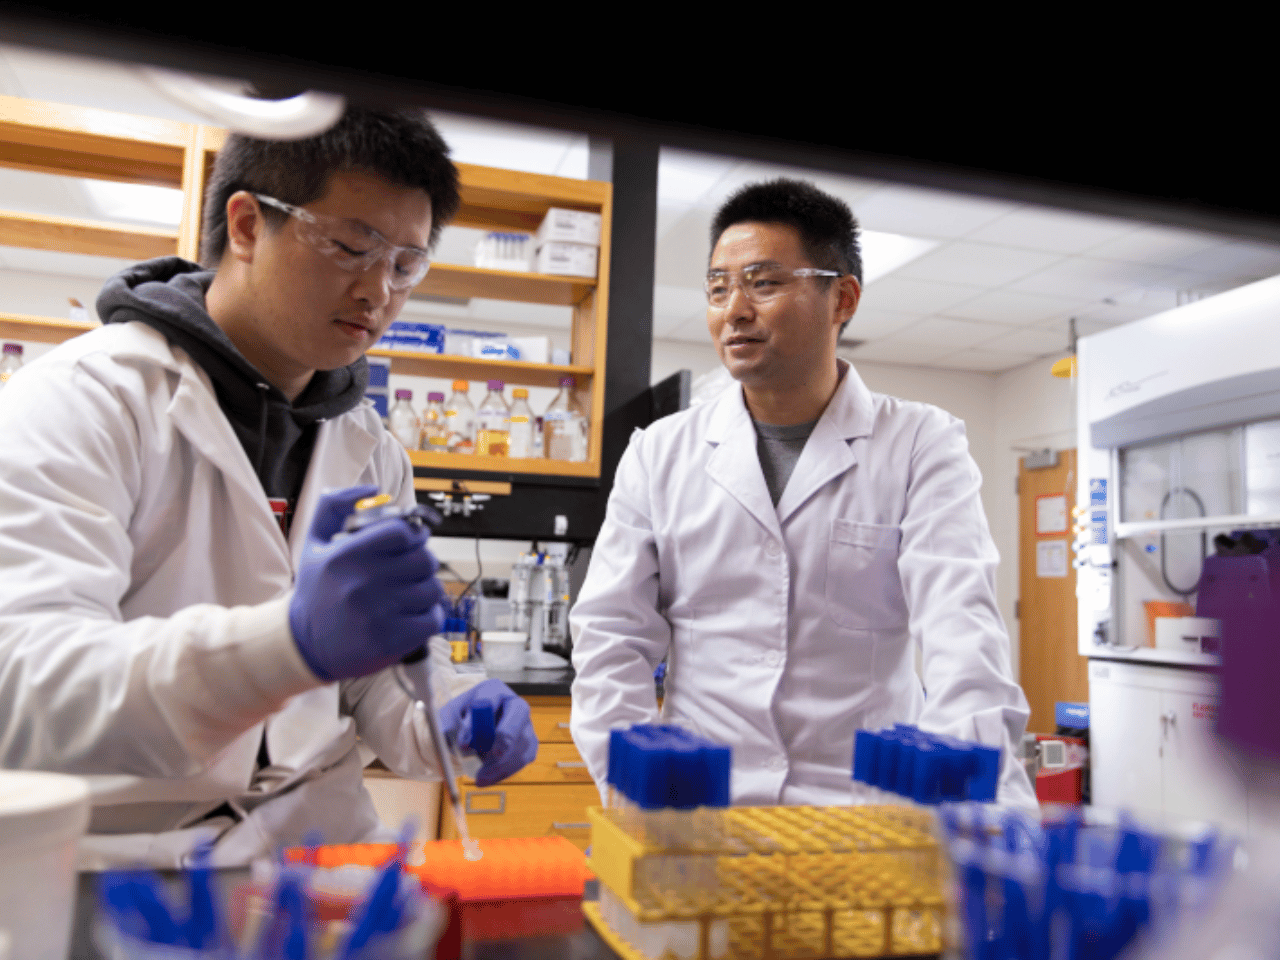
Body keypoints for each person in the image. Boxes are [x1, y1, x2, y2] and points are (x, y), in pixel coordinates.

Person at [0, 106, 538, 868]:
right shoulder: (81, 398)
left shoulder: (369, 445)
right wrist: (286, 645)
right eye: (354, 246)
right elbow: (25, 685)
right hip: (111, 863)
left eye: (407, 264)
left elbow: (375, 676)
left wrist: (443, 715)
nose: (378, 291)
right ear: (248, 225)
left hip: (315, 853)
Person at [570, 178, 1036, 809]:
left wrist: (984, 813)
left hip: (863, 817)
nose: (733, 309)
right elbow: (610, 639)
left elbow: (964, 642)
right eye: (717, 287)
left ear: (841, 298)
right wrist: (633, 788)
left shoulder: (922, 445)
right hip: (700, 814)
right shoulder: (658, 453)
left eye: (762, 282)